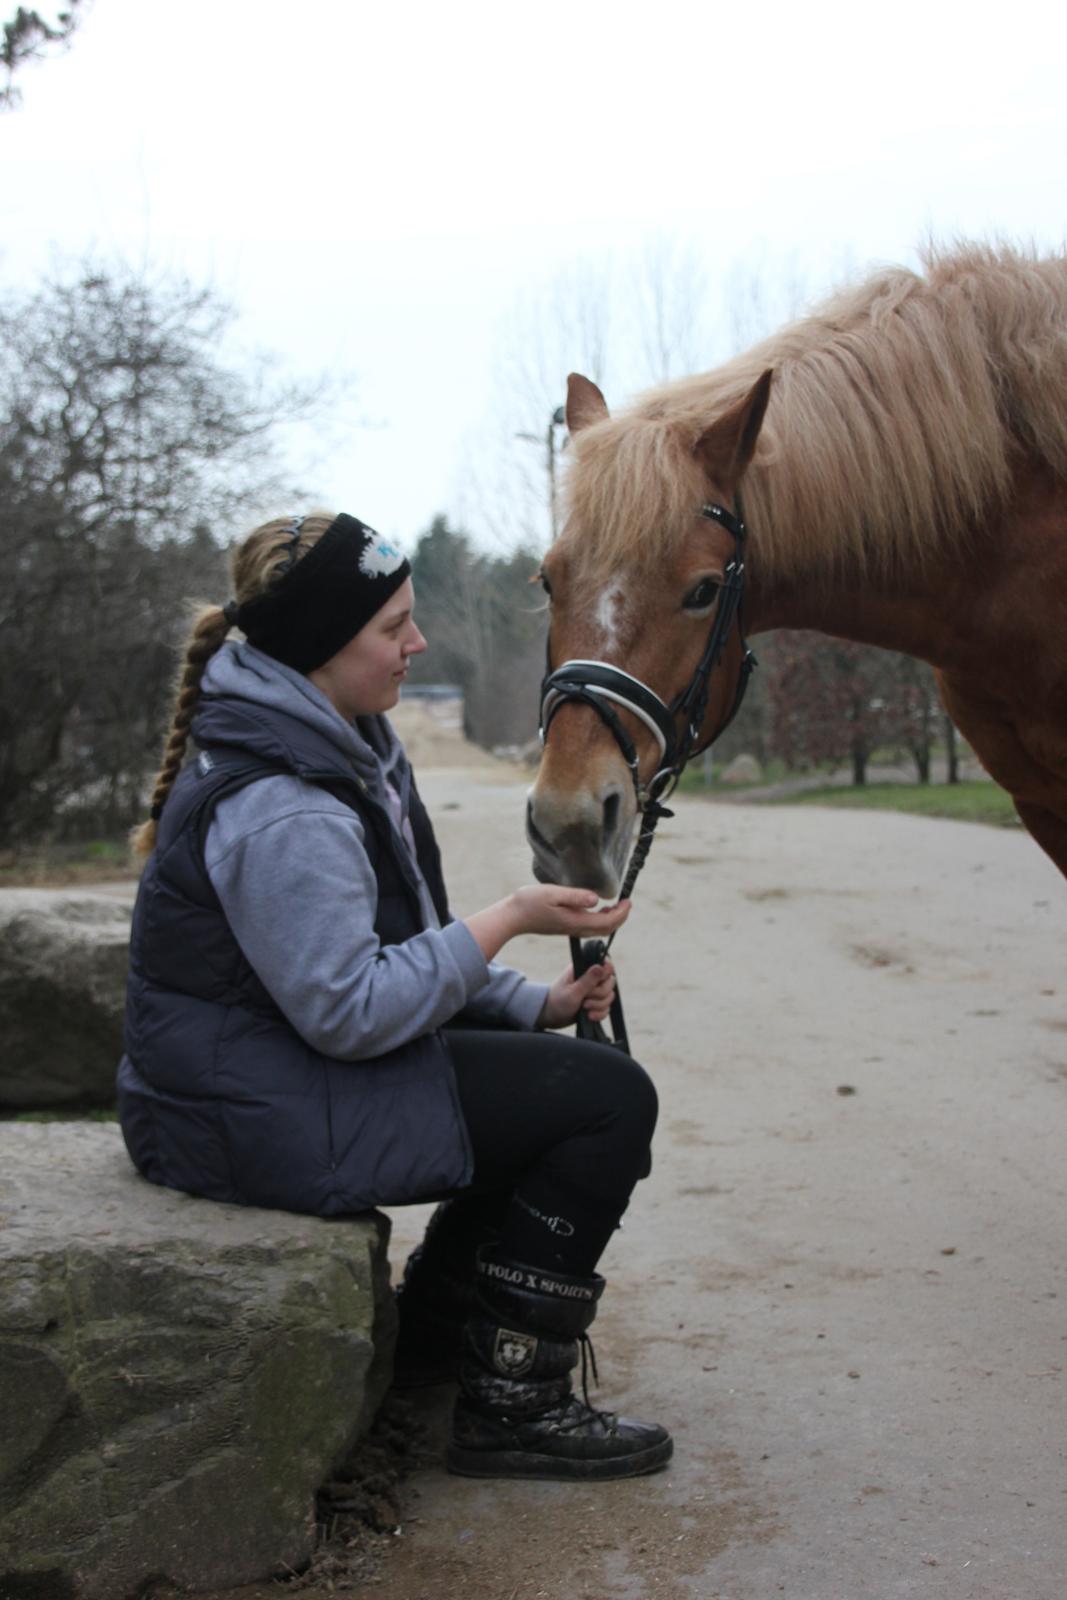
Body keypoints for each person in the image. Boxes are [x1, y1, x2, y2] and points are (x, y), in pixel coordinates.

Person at [119, 509, 671, 1482]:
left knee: (572, 1069)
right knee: (605, 1101)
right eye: (392, 627)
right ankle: (509, 1400)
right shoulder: (280, 801)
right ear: (320, 645)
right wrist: (504, 918)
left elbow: (399, 952)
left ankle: (436, 1332)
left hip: (271, 1078)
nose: (416, 643)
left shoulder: (343, 743)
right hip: (241, 1111)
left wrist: (529, 1005)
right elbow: (350, 1008)